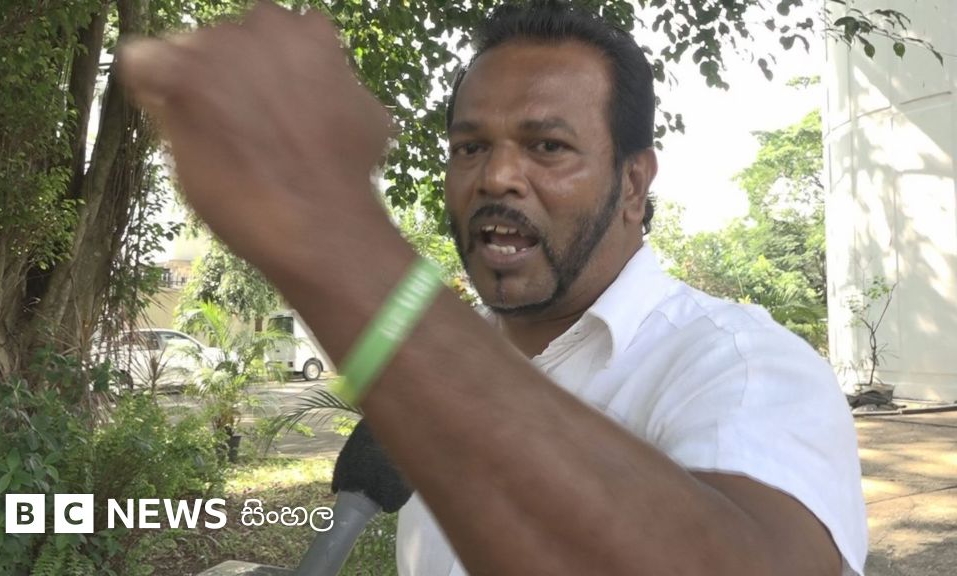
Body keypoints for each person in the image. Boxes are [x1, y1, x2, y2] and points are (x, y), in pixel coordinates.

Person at [118, 1, 867, 574]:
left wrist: (333, 234)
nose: (497, 176)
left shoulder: (741, 368)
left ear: (634, 183)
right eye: (471, 146)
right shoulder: (452, 363)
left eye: (548, 146)